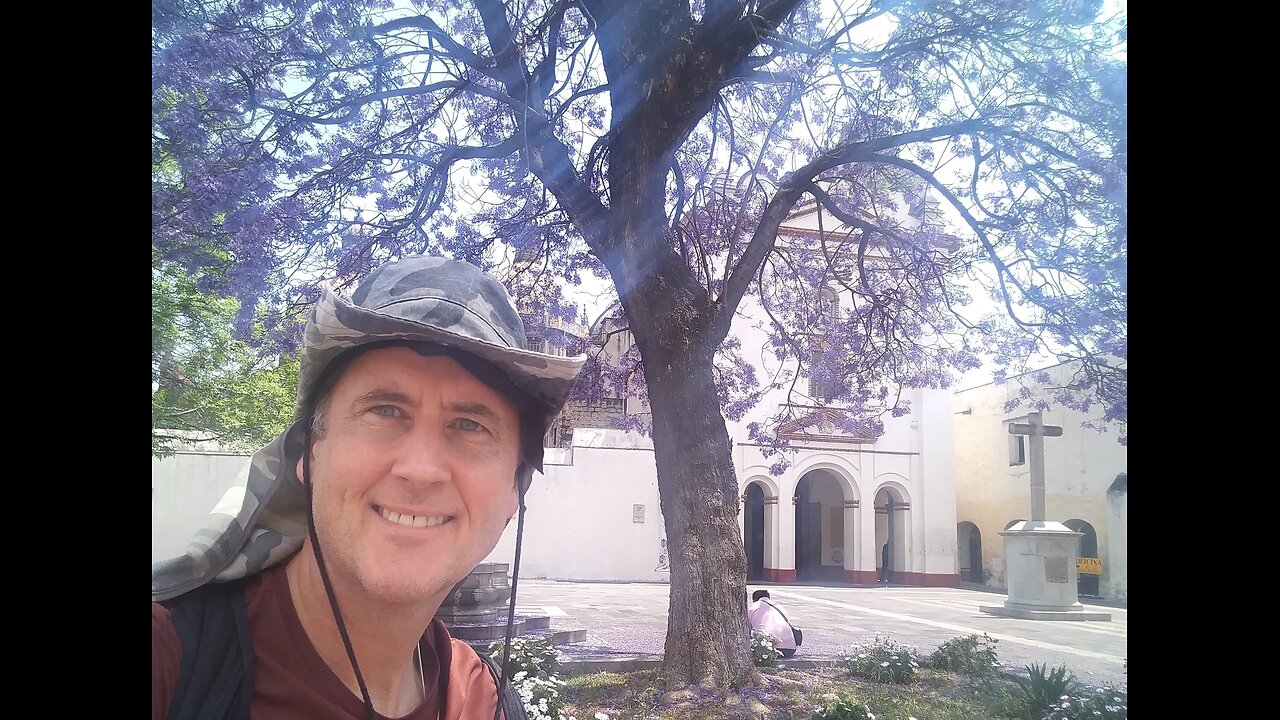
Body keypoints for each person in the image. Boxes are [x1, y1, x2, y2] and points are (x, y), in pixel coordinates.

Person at [152, 255, 587, 720]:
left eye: (469, 424)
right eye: (383, 410)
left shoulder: (482, 702)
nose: (420, 470)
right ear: (311, 454)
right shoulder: (171, 659)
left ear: (513, 490)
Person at [747, 590, 797, 657]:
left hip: (765, 649)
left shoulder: (752, 607)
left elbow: (747, 627)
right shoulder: (779, 606)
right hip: (789, 649)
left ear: (754, 599)